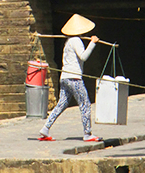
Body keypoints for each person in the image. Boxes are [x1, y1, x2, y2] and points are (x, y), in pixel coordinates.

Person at [38, 14, 101, 142]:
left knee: (61, 104)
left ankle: (45, 129)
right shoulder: (76, 41)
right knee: (85, 104)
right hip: (74, 78)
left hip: (65, 77)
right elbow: (83, 57)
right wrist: (92, 44)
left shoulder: (67, 42)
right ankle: (87, 133)